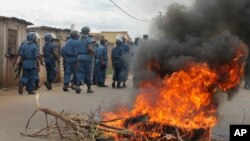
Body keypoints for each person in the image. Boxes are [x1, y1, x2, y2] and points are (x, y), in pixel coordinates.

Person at [75, 26, 95, 93]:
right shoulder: (89, 39)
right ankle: (89, 88)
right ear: (88, 32)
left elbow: (76, 50)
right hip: (87, 57)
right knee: (88, 73)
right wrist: (93, 52)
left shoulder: (78, 39)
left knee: (80, 72)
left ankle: (78, 86)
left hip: (79, 57)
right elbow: (89, 48)